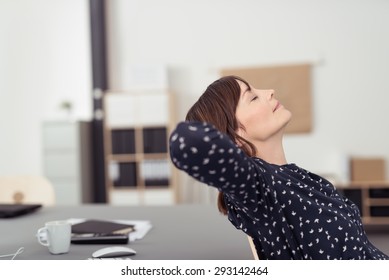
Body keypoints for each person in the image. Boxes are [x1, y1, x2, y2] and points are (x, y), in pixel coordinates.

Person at [169, 75, 389, 260]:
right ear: (234, 136)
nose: (270, 91)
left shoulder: (294, 176)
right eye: (253, 97)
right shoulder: (260, 188)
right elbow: (187, 142)